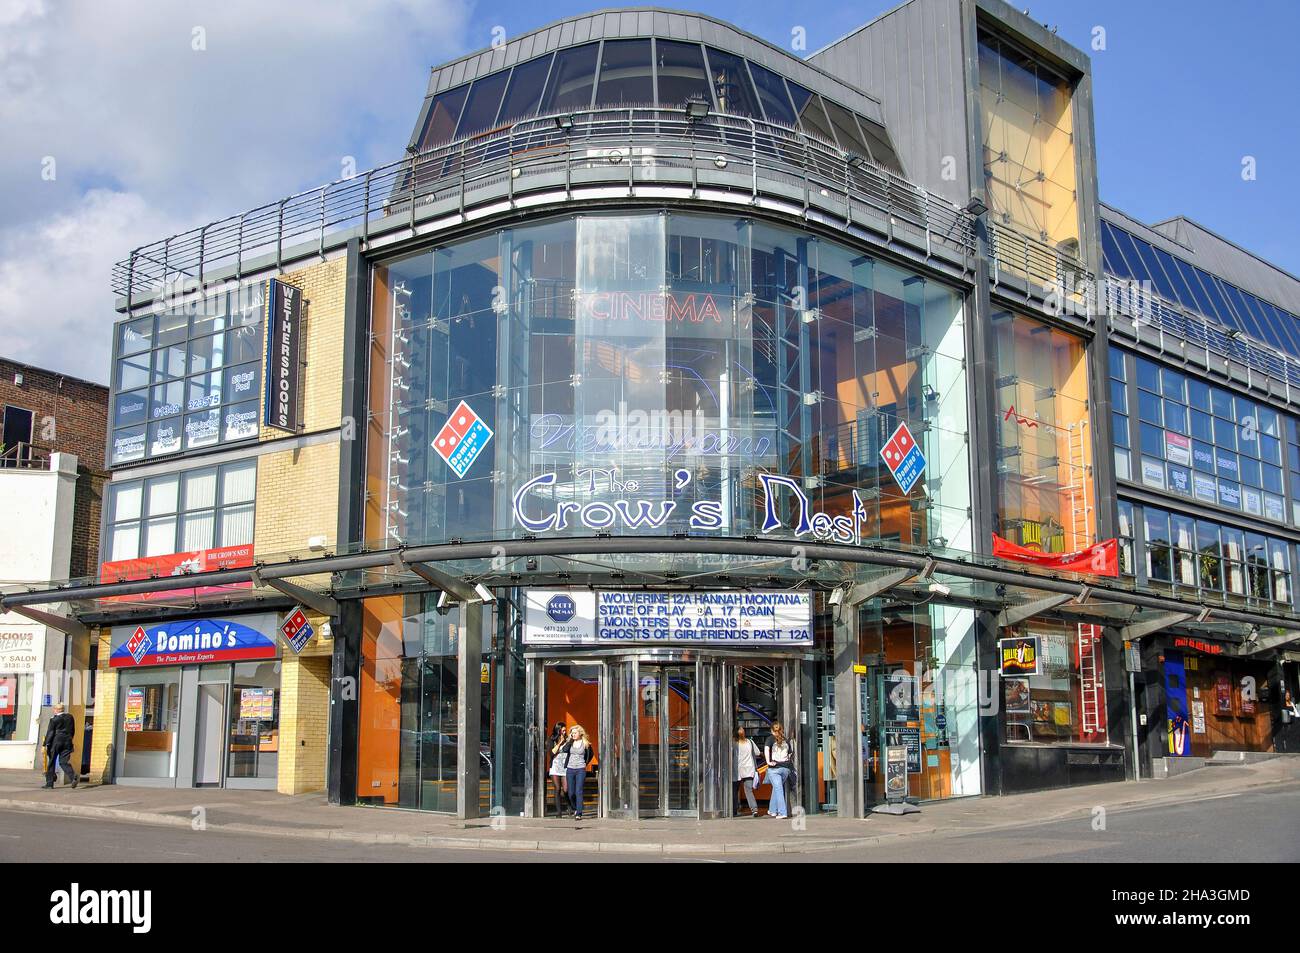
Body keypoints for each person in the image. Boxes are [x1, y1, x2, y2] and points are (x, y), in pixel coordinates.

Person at [561, 725, 595, 820]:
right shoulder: (570, 742)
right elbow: (564, 750)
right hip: (570, 769)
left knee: (578, 791)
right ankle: (575, 807)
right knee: (570, 792)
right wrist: (570, 740)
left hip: (580, 769)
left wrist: (585, 763)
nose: (573, 734)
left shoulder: (585, 743)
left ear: (580, 733)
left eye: (575, 733)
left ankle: (579, 813)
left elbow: (591, 754)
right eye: (572, 733)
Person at [764, 722, 795, 819]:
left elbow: (766, 750)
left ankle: (782, 812)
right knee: (776, 788)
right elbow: (790, 754)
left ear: (772, 730)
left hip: (775, 768)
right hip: (786, 769)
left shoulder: (770, 739)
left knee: (778, 790)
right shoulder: (785, 740)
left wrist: (768, 762)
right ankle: (773, 810)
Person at [43, 703, 77, 789]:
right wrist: (70, 739)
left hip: (56, 741)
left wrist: (45, 744)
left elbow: (50, 732)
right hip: (67, 741)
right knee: (63, 762)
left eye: (54, 709)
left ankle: (49, 783)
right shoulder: (70, 717)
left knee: (51, 762)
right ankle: (73, 776)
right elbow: (73, 730)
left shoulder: (54, 719)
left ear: (56, 710)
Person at [733, 726, 762, 817]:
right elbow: (757, 753)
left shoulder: (733, 744)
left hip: (737, 770)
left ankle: (733, 811)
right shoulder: (750, 742)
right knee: (748, 790)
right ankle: (754, 810)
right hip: (749, 769)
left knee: (734, 791)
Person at [547, 722, 569, 817]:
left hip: (564, 767)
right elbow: (552, 753)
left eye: (565, 730)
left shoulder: (568, 739)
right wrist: (560, 743)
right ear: (558, 730)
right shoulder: (552, 739)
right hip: (555, 767)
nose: (564, 732)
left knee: (566, 789)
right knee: (557, 788)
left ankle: (570, 807)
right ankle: (559, 812)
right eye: (562, 730)